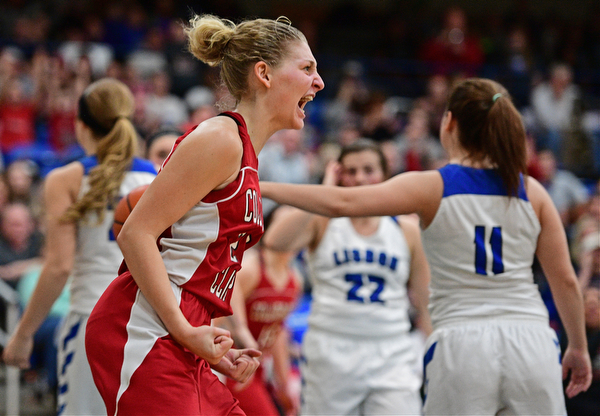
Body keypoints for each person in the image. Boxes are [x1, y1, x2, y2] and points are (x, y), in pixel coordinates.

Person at [261, 78, 592, 415]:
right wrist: (578, 347)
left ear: (449, 123)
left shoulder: (434, 185)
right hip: (531, 341)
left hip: (463, 341)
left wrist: (263, 186)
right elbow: (565, 280)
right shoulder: (532, 190)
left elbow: (343, 201)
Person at [84, 14, 324, 416]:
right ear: (263, 73)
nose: (318, 82)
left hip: (181, 334)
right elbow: (136, 234)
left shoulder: (243, 151)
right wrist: (184, 331)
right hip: (144, 330)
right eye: (307, 69)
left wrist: (210, 346)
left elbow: (196, 260)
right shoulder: (220, 139)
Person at [2, 77, 157, 415]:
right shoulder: (158, 178)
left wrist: (23, 334)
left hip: (92, 318)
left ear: (80, 125)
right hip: (147, 324)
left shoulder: (64, 179)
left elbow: (59, 266)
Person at [263, 139, 432, 415]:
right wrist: (325, 193)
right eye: (350, 172)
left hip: (391, 350)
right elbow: (275, 241)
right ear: (340, 176)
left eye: (368, 170)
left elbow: (426, 302)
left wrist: (433, 352)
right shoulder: (322, 221)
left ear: (384, 175)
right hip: (332, 349)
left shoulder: (407, 229)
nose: (360, 178)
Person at [215, 207, 303, 416]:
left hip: (258, 369)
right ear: (269, 229)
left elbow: (278, 333)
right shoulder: (249, 268)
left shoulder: (295, 281)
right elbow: (216, 317)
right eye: (285, 225)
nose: (291, 232)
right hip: (231, 364)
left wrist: (283, 384)